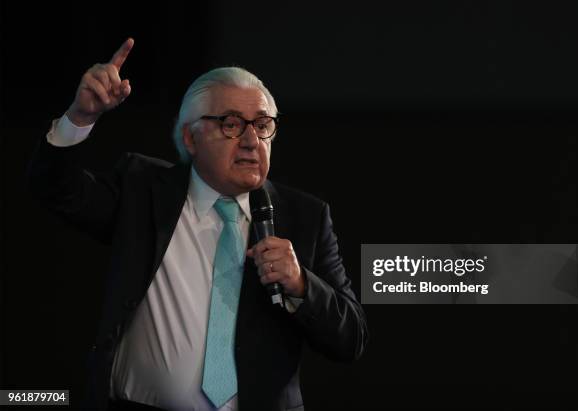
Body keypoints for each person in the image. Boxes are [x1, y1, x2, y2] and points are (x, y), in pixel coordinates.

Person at [27, 38, 368, 411]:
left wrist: (301, 284)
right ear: (191, 137)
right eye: (232, 124)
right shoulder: (143, 190)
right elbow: (55, 190)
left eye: (263, 125)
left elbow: (351, 338)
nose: (252, 141)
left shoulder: (305, 216)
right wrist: (79, 117)